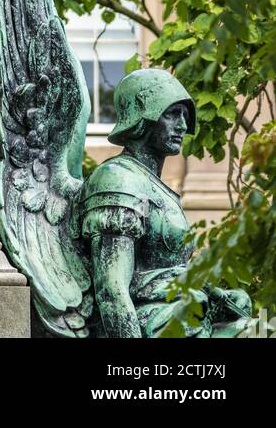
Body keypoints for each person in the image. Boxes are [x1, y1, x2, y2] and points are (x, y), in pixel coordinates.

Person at [82, 68, 252, 337]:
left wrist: (216, 294)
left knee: (258, 328)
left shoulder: (155, 187)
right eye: (172, 113)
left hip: (183, 315)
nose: (182, 125)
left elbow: (164, 272)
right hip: (151, 324)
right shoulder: (117, 180)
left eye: (184, 115)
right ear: (142, 117)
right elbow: (111, 290)